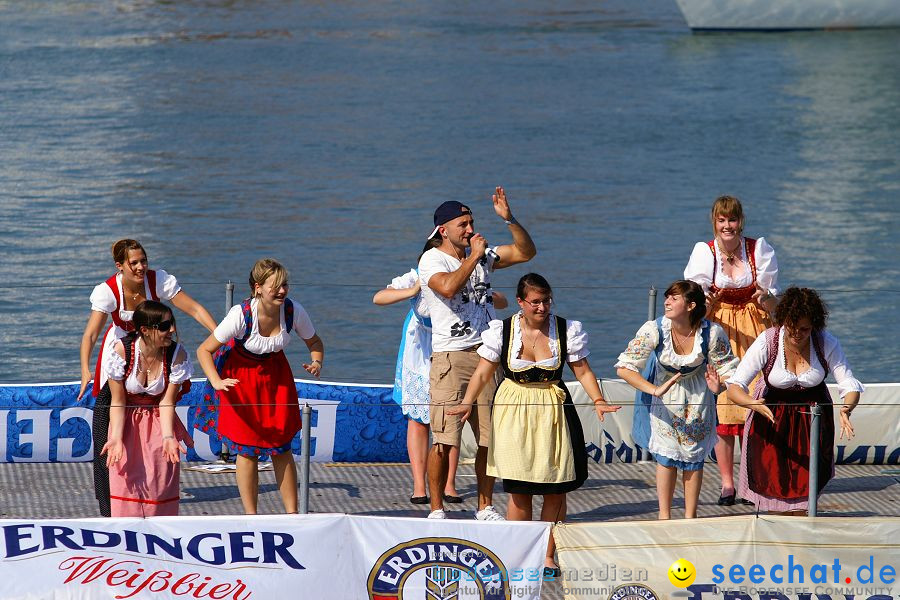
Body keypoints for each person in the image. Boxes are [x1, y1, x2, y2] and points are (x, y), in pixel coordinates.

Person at [448, 273, 620, 576]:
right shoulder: (501, 332)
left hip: (554, 410)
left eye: (546, 301)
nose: (542, 308)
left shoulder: (565, 330)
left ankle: (548, 555)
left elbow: (583, 371)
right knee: (520, 489)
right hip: (514, 410)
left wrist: (598, 400)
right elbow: (483, 373)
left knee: (555, 488)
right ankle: (520, 555)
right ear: (520, 302)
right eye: (535, 302)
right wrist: (467, 401)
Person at [419, 186, 536, 520]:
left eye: (471, 222)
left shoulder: (483, 255)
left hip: (488, 355)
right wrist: (472, 255)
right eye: (463, 224)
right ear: (444, 230)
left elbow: (526, 252)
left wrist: (510, 219)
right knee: (444, 437)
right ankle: (436, 508)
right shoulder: (432, 259)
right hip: (450, 358)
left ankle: (484, 506)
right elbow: (448, 287)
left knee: (489, 437)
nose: (470, 229)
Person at [79, 239, 217, 517]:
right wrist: (85, 368)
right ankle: (109, 504)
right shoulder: (108, 291)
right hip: (123, 353)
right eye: (134, 263)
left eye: (144, 260)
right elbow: (91, 334)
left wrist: (219, 336)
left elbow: (194, 309)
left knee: (156, 422)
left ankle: (156, 495)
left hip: (157, 351)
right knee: (106, 428)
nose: (142, 267)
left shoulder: (159, 280)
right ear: (120, 266)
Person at [374, 248, 508, 505]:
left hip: (456, 344)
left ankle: (450, 483)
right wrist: (413, 290)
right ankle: (418, 486)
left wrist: (487, 295)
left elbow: (501, 301)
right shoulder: (417, 275)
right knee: (419, 416)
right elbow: (379, 297)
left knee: (453, 413)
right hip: (422, 347)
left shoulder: (466, 273)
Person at [195, 258, 325, 514]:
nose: (282, 291)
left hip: (276, 378)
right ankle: (251, 516)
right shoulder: (240, 315)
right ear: (257, 288)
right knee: (247, 449)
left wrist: (316, 362)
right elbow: (204, 350)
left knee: (281, 446)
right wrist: (216, 381)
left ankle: (292, 514)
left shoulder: (293, 311)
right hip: (241, 378)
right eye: (275, 286)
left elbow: (315, 342)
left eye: (285, 284)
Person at [726, 287, 863, 514]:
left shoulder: (825, 342)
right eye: (791, 327)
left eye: (804, 329)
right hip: (771, 420)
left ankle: (801, 538)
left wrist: (847, 408)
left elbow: (848, 384)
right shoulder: (768, 341)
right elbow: (735, 386)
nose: (797, 334)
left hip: (813, 421)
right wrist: (752, 403)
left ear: (814, 326)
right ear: (783, 321)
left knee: (806, 490)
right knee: (773, 484)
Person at [684, 195, 779, 506]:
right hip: (720, 330)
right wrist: (704, 303)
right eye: (722, 220)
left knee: (756, 406)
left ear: (741, 221)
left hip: (755, 329)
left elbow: (770, 296)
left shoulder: (757, 249)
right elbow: (695, 296)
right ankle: (727, 484)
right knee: (725, 412)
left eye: (733, 220)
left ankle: (752, 482)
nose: (727, 225)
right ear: (714, 222)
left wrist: (765, 298)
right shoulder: (705, 253)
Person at [616, 280, 738, 519]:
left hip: (698, 396)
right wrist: (653, 390)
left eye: (674, 298)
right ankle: (664, 517)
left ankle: (690, 517)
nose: (667, 302)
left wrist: (720, 385)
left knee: (693, 457)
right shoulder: (654, 329)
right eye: (667, 297)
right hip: (664, 395)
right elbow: (625, 367)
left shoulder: (711, 333)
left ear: (691, 305)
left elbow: (730, 370)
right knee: (667, 456)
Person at [100, 301, 193, 517]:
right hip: (125, 419)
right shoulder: (122, 350)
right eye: (164, 326)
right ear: (145, 330)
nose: (172, 330)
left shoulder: (176, 354)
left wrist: (169, 436)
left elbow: (167, 401)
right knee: (126, 481)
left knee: (159, 483)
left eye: (172, 324)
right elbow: (118, 400)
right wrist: (115, 437)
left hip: (159, 420)